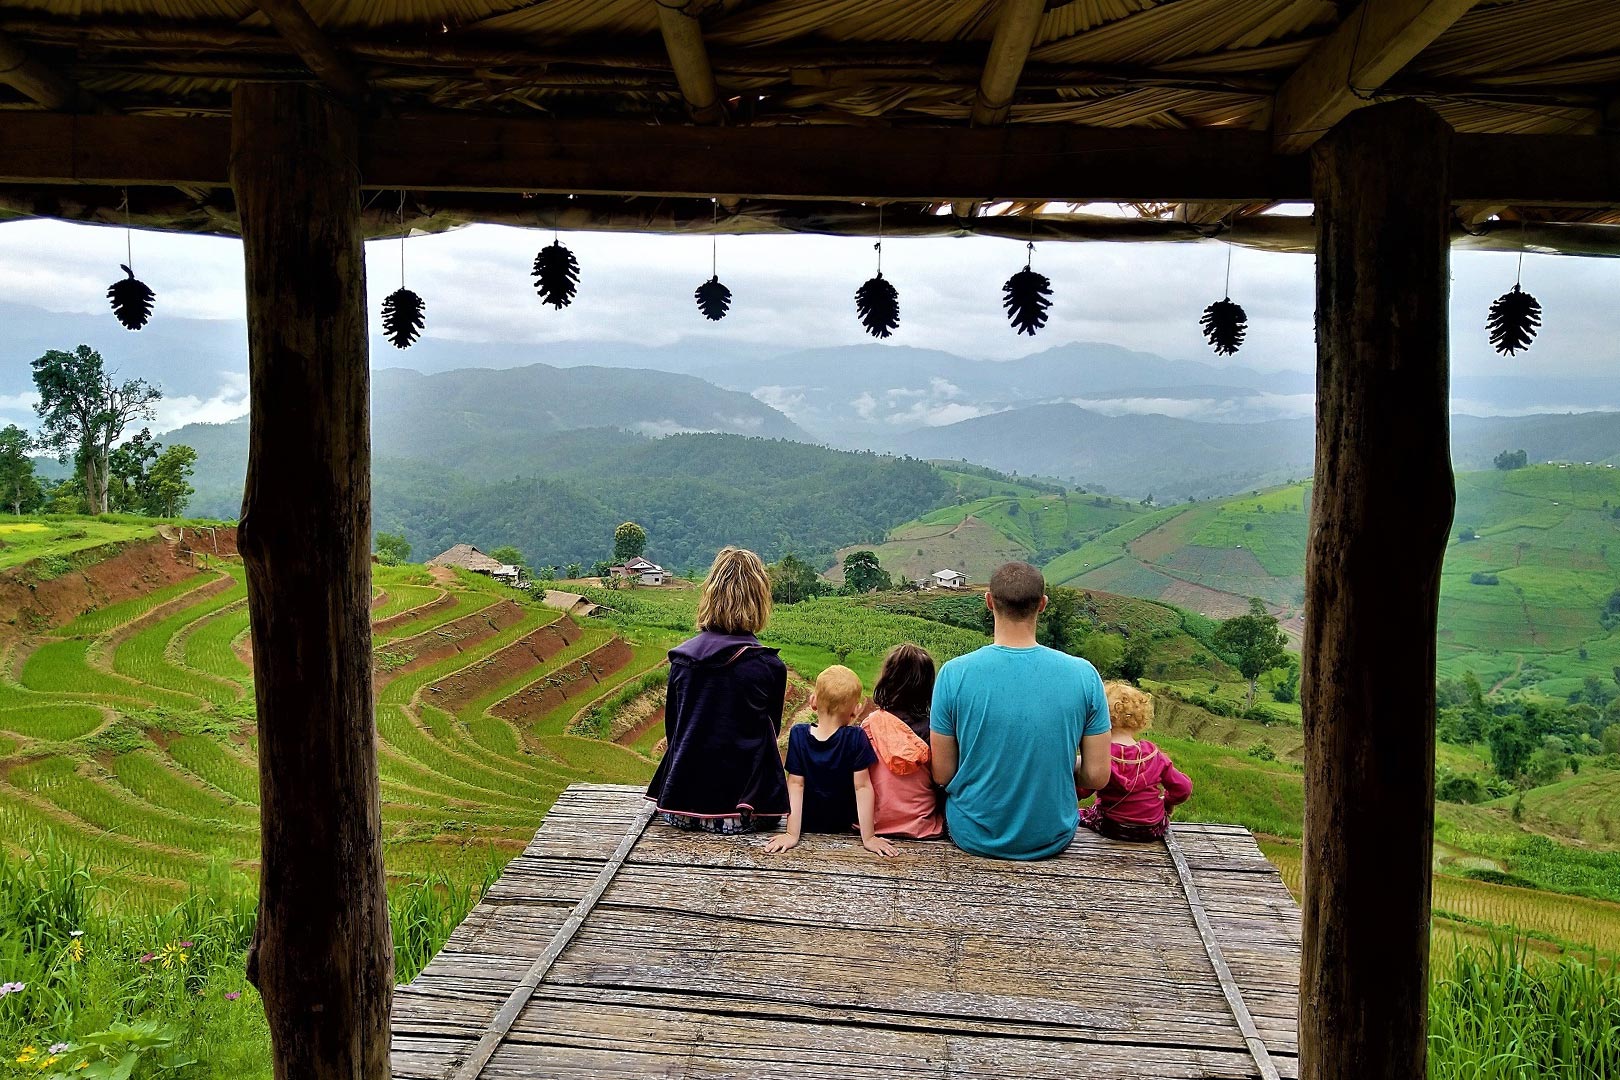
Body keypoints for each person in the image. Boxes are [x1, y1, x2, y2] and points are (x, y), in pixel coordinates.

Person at [930, 561, 1113, 860]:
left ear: (989, 602)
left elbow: (942, 772)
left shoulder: (954, 674)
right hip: (1053, 835)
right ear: (1042, 605)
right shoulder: (1084, 675)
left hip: (971, 833)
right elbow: (1096, 776)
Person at [645, 546, 788, 833]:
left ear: (710, 594)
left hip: (679, 807)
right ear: (759, 599)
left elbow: (674, 731)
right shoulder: (769, 666)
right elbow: (771, 733)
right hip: (742, 813)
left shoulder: (682, 660)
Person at [765, 665, 898, 857]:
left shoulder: (798, 735)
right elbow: (863, 788)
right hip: (844, 823)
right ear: (855, 711)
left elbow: (795, 784)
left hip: (808, 824)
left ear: (813, 702)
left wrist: (791, 833)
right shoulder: (856, 738)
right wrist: (868, 838)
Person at [1077, 682, 1193, 841]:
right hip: (1152, 828)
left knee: (1081, 814)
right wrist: (1167, 802)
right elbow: (1183, 788)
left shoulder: (1102, 755)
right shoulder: (1153, 754)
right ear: (1140, 719)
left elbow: (1083, 789)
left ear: (1099, 717)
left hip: (1113, 827)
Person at [860, 643, 945, 840]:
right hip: (921, 826)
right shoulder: (933, 732)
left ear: (886, 679)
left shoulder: (869, 725)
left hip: (874, 825)